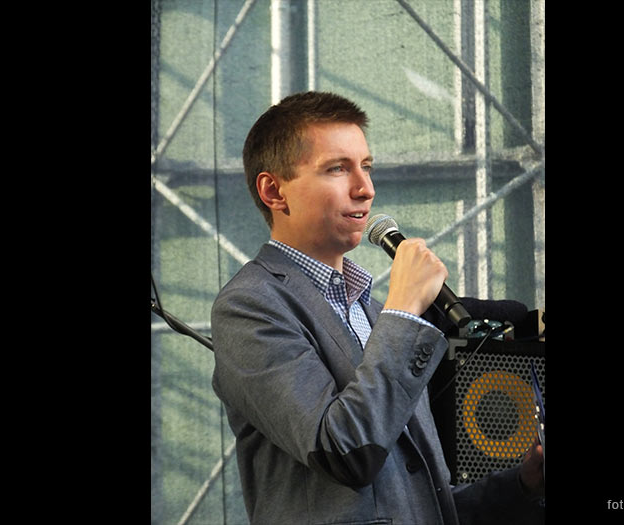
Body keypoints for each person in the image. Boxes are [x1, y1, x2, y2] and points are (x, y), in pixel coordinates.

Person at [211, 91, 544, 524]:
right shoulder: (250, 306)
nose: (365, 188)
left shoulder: (371, 312)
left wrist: (524, 483)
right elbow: (346, 451)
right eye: (337, 168)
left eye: (366, 167)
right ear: (274, 191)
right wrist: (405, 311)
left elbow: (422, 503)